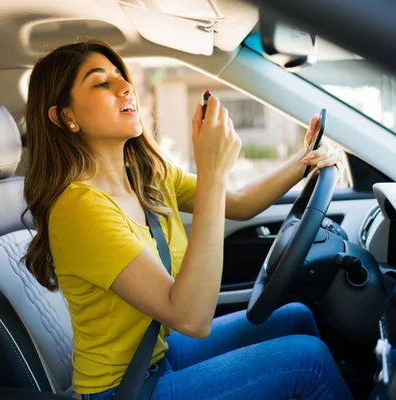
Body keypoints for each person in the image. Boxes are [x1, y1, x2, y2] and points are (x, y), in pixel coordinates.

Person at [22, 40, 352, 400]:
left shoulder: (147, 176)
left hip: (160, 356)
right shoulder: (80, 210)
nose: (125, 87)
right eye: (102, 83)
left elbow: (239, 204)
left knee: (296, 317)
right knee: (309, 362)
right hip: (124, 390)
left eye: (121, 77)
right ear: (65, 116)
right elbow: (192, 318)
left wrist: (305, 161)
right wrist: (212, 171)